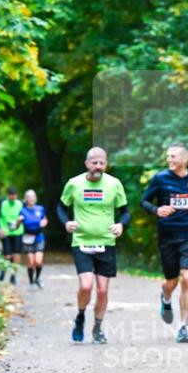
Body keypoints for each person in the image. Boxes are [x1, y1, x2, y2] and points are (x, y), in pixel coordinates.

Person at [57, 147, 130, 344]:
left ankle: (98, 327)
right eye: (94, 163)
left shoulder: (114, 184)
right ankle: (80, 315)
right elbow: (61, 207)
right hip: (82, 241)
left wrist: (121, 225)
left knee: (103, 290)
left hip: (106, 242)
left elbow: (125, 212)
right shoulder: (74, 184)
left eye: (102, 163)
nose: (98, 167)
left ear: (106, 164)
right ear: (87, 163)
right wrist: (66, 222)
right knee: (86, 285)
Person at [140, 142, 188, 343]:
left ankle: (183, 327)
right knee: (171, 281)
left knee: (187, 277)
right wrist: (156, 210)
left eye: (173, 156)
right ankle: (166, 297)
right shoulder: (160, 179)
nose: (169, 160)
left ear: (184, 159)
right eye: (168, 156)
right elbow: (144, 201)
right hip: (167, 236)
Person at [18, 189, 48, 289]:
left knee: (38, 261)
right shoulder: (23, 211)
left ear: (35, 198)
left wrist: (44, 222)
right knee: (31, 262)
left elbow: (45, 219)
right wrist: (18, 221)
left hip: (39, 237)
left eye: (33, 197)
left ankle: (37, 278)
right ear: (25, 199)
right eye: (29, 197)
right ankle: (31, 282)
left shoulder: (40, 209)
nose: (31, 199)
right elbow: (16, 226)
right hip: (27, 238)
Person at [0, 186, 23, 285]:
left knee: (16, 255)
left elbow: (24, 216)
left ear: (16, 195)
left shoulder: (20, 204)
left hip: (17, 232)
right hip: (5, 232)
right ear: (7, 195)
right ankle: (3, 271)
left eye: (14, 195)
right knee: (7, 255)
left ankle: (13, 275)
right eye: (10, 195)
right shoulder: (1, 203)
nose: (12, 197)